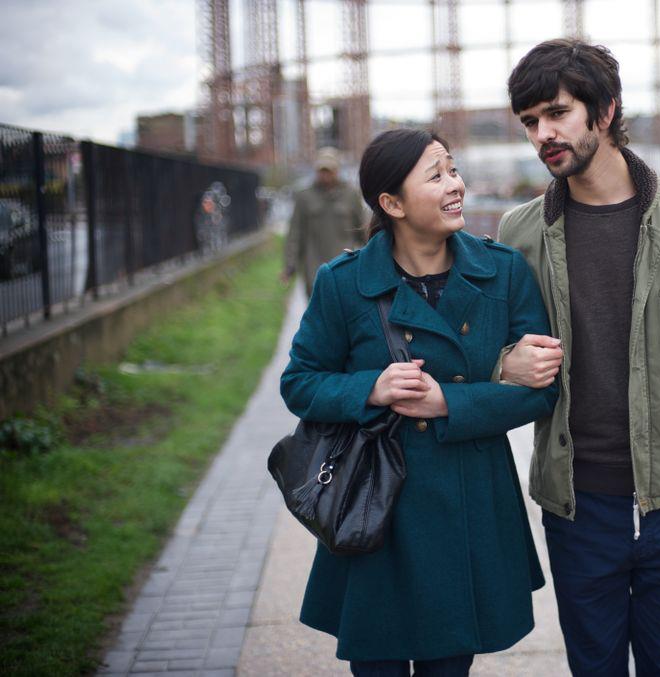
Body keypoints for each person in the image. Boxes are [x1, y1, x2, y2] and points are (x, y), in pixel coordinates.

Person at [494, 39, 660, 677]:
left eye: (557, 113)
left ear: (605, 110)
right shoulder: (519, 232)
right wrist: (504, 365)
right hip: (577, 505)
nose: (543, 134)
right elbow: (489, 353)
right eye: (530, 121)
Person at [280, 128, 557, 676]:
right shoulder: (344, 283)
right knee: (377, 663)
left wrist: (448, 403)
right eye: (436, 176)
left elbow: (542, 391)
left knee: (450, 665)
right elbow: (300, 383)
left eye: (453, 170)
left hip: (467, 503)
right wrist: (370, 388)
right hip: (375, 508)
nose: (455, 185)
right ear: (392, 203)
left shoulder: (501, 271)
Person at [282, 146, 367, 295]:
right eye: (322, 170)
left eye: (329, 170)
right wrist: (290, 266)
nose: (326, 175)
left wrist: (373, 258)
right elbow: (295, 233)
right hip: (314, 270)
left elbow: (362, 230)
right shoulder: (304, 197)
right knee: (316, 306)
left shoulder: (351, 195)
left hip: (344, 267)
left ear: (337, 170)